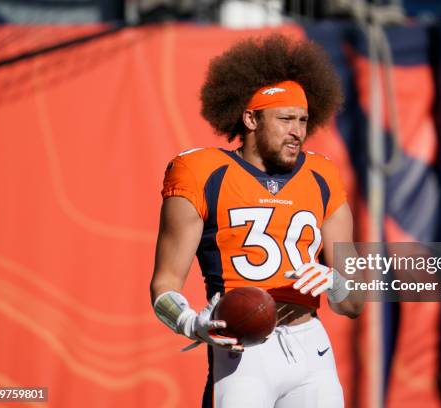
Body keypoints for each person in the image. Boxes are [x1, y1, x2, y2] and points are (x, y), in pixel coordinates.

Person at [150, 33, 363, 408]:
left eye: (303, 120)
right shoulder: (202, 172)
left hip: (310, 345)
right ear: (250, 118)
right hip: (242, 351)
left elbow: (355, 303)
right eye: (285, 119)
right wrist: (191, 324)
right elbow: (164, 284)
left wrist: (336, 282)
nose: (297, 131)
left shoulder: (322, 175)